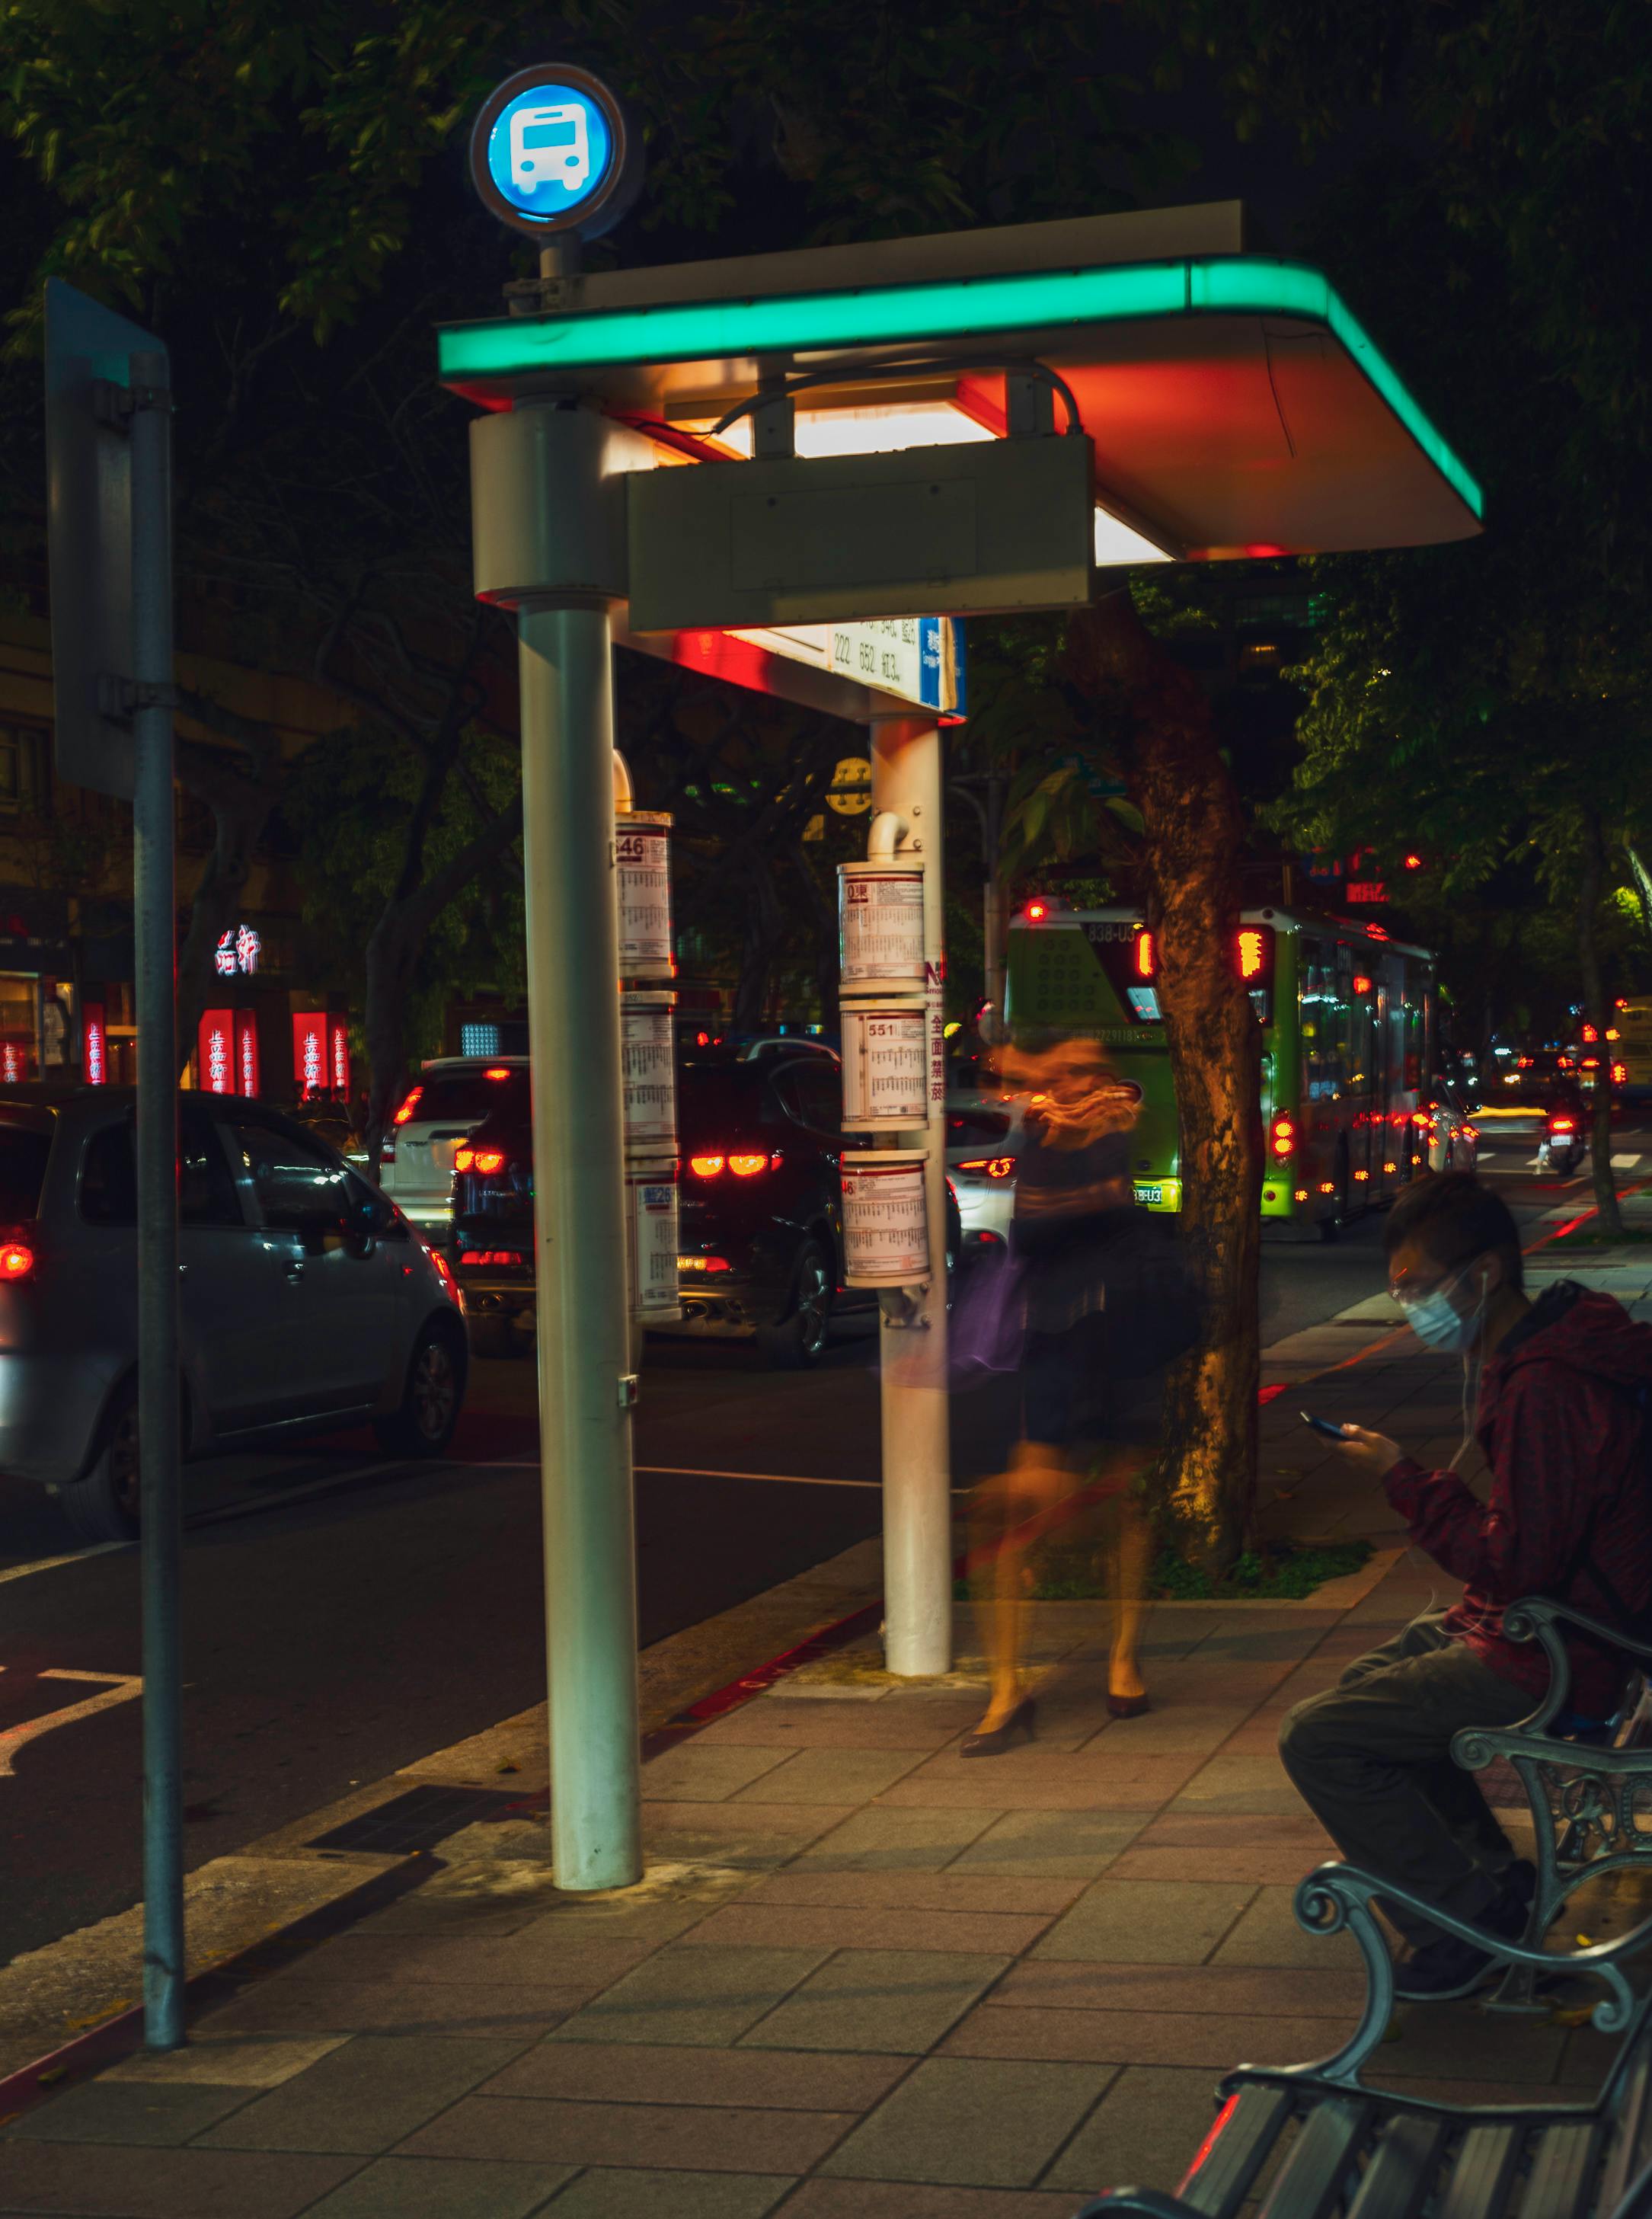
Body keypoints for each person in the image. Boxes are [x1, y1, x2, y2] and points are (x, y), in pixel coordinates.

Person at [1280, 1172, 1652, 1998]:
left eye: (1418, 1286)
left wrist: (1403, 1479)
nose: (1410, 1305)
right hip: (1558, 1623)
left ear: (1481, 1274)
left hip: (1566, 1651)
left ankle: (1463, 1925)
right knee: (1365, 1691)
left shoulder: (1548, 1386)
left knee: (1319, 1737)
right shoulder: (1540, 1351)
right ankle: (1493, 1884)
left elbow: (1519, 1559)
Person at [963, 1037, 1170, 1756]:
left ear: (1103, 1079)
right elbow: (1030, 1229)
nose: (1065, 1079)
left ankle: (1122, 1655)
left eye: (1080, 1069)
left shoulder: (1113, 1117)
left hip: (1117, 1336)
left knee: (1119, 1503)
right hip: (1049, 1337)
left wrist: (1049, 1088)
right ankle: (1005, 1687)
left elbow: (1093, 1205)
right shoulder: (1041, 1128)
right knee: (1006, 1509)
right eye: (1061, 1068)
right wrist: (1034, 1089)